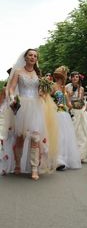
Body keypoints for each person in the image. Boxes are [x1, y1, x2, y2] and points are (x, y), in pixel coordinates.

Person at [5, 49, 53, 180]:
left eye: (35, 56)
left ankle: (34, 168)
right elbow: (11, 88)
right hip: (22, 106)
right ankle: (17, 165)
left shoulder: (39, 74)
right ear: (25, 57)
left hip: (36, 107)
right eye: (30, 55)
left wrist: (44, 93)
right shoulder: (18, 72)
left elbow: (40, 91)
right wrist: (12, 97)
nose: (33, 57)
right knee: (20, 137)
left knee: (36, 138)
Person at [52, 66, 81, 171]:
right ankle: (57, 160)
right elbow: (46, 98)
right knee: (57, 136)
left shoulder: (65, 89)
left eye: (63, 75)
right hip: (55, 113)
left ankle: (64, 159)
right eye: (60, 75)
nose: (61, 77)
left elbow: (69, 104)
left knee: (65, 137)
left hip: (64, 114)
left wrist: (80, 105)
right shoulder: (53, 86)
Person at [66, 71, 87, 162]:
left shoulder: (81, 89)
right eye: (73, 77)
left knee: (82, 134)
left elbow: (82, 100)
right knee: (72, 132)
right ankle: (70, 153)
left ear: (79, 79)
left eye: (77, 77)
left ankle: (81, 155)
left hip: (80, 112)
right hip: (71, 110)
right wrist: (69, 96)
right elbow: (66, 99)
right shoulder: (67, 87)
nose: (75, 78)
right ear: (70, 78)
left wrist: (84, 107)